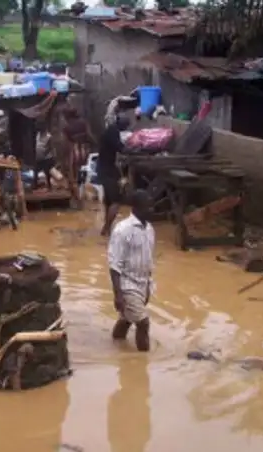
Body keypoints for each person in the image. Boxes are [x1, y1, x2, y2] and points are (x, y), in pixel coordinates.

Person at [107, 190, 155, 352]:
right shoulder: (122, 230)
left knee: (127, 318)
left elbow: (148, 259)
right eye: (148, 206)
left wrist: (148, 285)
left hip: (142, 282)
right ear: (137, 207)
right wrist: (118, 294)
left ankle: (116, 343)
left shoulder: (149, 229)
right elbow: (114, 265)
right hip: (127, 283)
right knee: (143, 322)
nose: (151, 209)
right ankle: (143, 361)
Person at [99, 116, 130, 236]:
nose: (125, 129)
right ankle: (106, 228)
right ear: (122, 124)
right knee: (116, 201)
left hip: (105, 167)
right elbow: (121, 148)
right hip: (108, 169)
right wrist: (133, 149)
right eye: (126, 126)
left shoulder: (111, 130)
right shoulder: (113, 132)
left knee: (108, 200)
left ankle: (106, 229)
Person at [61, 107, 95, 208]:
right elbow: (90, 136)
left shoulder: (66, 128)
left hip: (74, 153)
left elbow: (66, 144)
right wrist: (96, 144)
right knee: (84, 175)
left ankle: (79, 202)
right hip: (85, 152)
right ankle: (82, 197)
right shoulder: (83, 123)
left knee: (73, 178)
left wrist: (64, 159)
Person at [34, 126, 55, 190]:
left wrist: (44, 154)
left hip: (46, 158)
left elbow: (50, 147)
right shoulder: (37, 135)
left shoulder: (49, 136)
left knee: (47, 172)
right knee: (35, 171)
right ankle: (35, 185)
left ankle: (49, 185)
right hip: (38, 157)